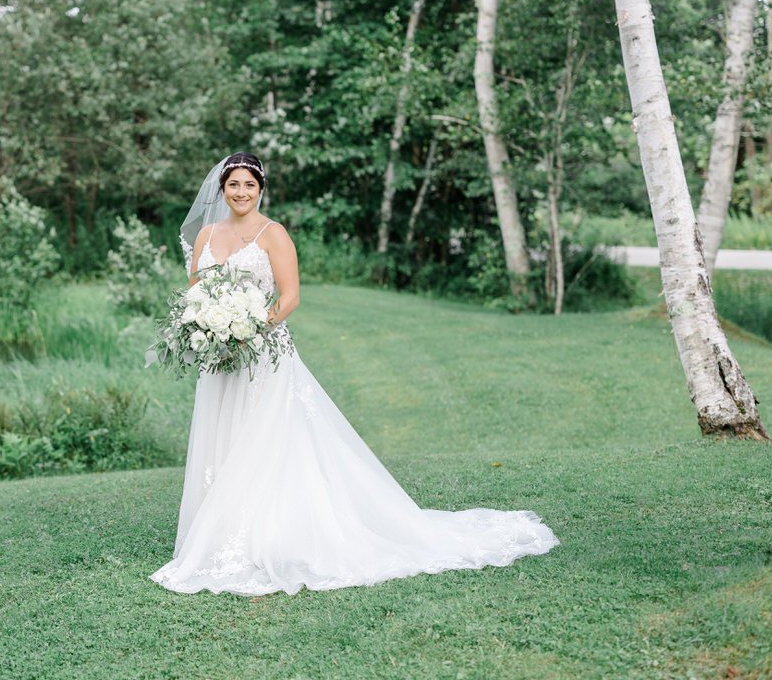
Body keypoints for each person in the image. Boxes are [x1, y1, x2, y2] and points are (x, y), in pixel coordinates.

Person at [149, 152, 559, 596]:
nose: (241, 192)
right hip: (220, 360)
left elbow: (289, 297)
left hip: (263, 355)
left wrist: (249, 329)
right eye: (234, 185)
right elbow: (197, 293)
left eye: (250, 184)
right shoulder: (207, 235)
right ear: (222, 189)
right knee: (223, 439)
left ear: (261, 189)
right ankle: (221, 533)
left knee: (264, 442)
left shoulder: (273, 234)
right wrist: (210, 328)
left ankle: (267, 535)